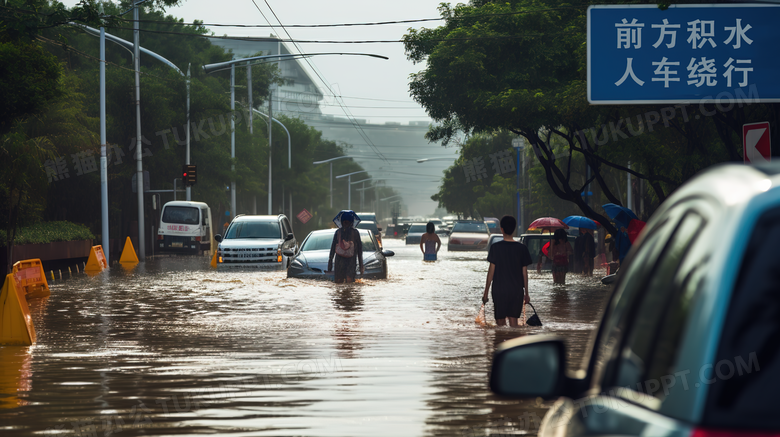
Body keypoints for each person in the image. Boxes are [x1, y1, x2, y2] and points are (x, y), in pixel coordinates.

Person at [481, 215, 533, 327]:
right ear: (514, 229)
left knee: (500, 323)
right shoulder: (522, 248)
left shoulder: (495, 248)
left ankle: (501, 342)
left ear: (502, 229)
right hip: (516, 291)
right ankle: (514, 343)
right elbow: (525, 273)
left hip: (499, 291)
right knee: (514, 323)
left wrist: (485, 294)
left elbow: (491, 273)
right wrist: (527, 294)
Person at [327, 211, 364, 284]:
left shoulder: (338, 232)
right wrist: (361, 265)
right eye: (345, 222)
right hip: (350, 261)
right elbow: (359, 250)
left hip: (340, 261)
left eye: (346, 222)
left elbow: (333, 248)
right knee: (349, 282)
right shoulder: (355, 232)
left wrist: (330, 262)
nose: (345, 224)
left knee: (339, 282)